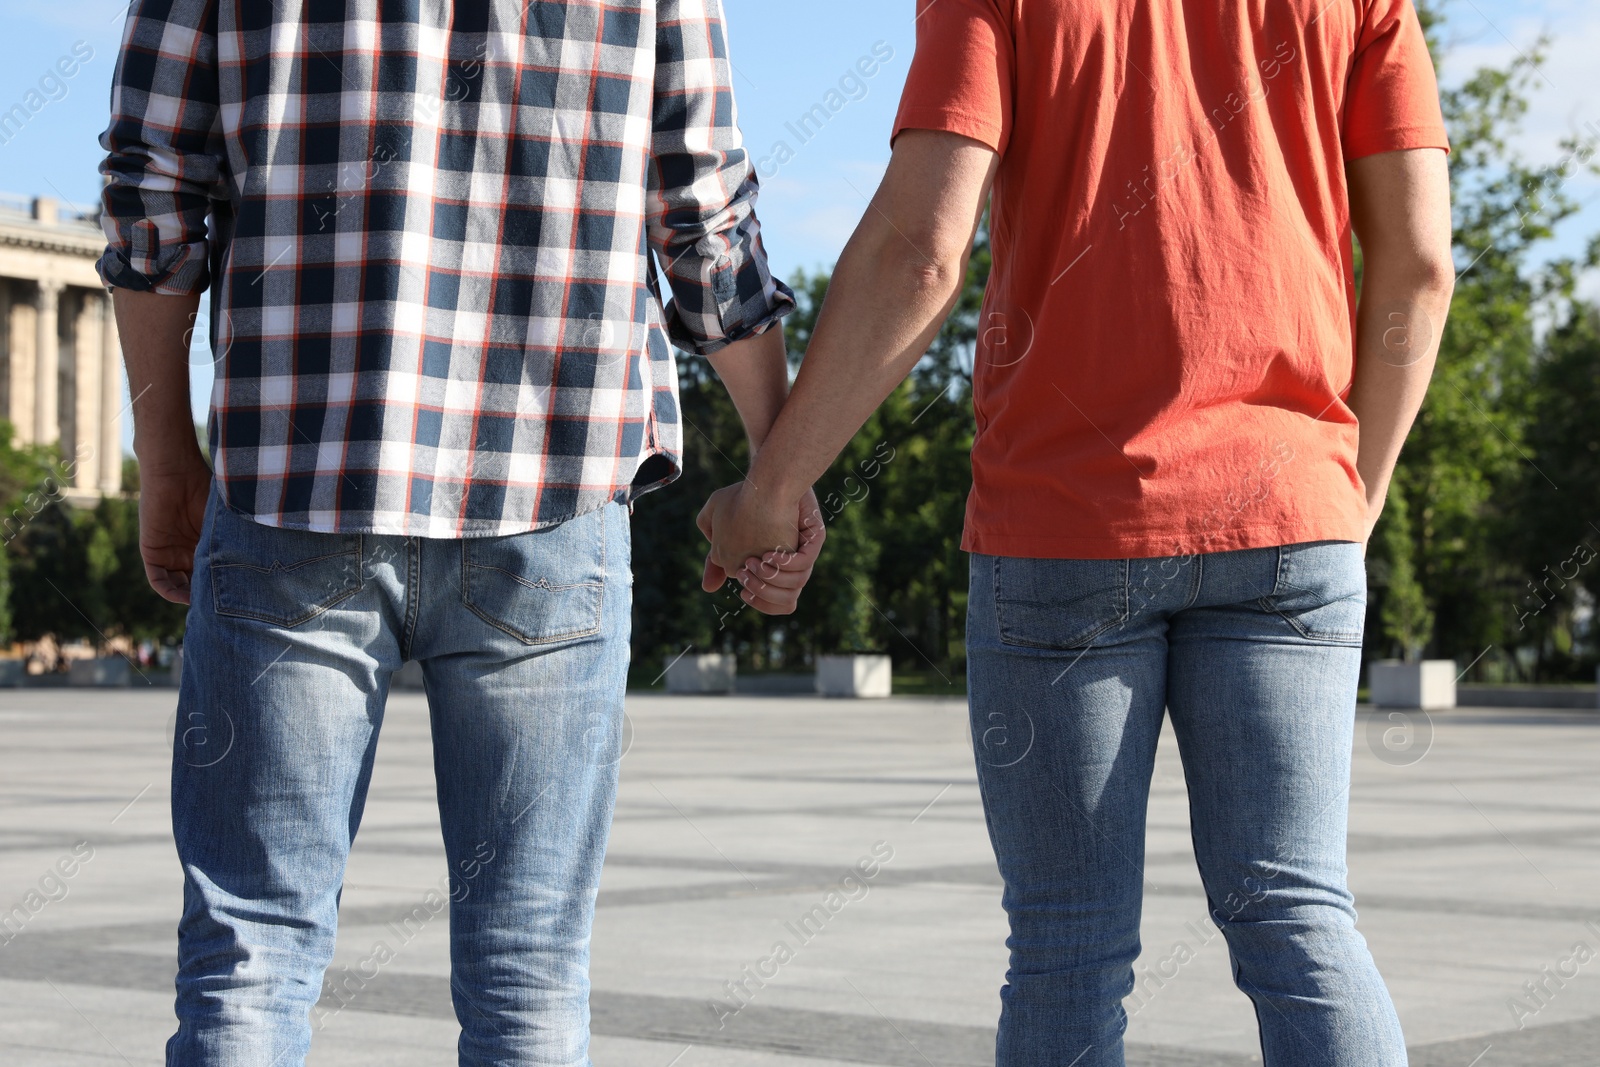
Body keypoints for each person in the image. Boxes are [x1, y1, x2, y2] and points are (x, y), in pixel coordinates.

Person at [703, 0, 1454, 1063]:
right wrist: (1349, 505)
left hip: (1066, 523)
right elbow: (1420, 267)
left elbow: (923, 249)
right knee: (1296, 913)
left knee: (1068, 944)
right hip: (1293, 513)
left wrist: (774, 481)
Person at [99, 1, 817, 1063]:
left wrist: (164, 452)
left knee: (250, 956)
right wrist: (777, 467)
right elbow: (702, 206)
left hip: (294, 476)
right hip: (554, 483)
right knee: (526, 971)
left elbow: (153, 187)